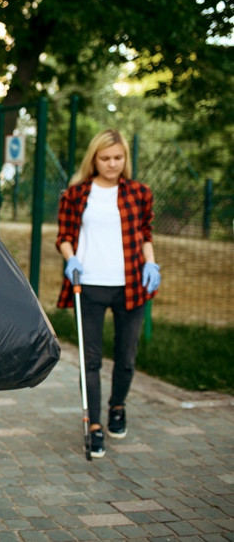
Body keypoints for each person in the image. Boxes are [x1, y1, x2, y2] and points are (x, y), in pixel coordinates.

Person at [55, 128, 160, 459]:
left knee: (126, 359)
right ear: (94, 159)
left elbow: (145, 233)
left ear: (125, 159)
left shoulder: (139, 193)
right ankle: (94, 425)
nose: (112, 164)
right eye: (105, 158)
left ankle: (118, 406)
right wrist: (71, 259)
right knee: (91, 360)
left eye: (118, 158)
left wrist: (151, 264)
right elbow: (64, 235)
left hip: (130, 284)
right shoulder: (76, 194)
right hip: (89, 286)